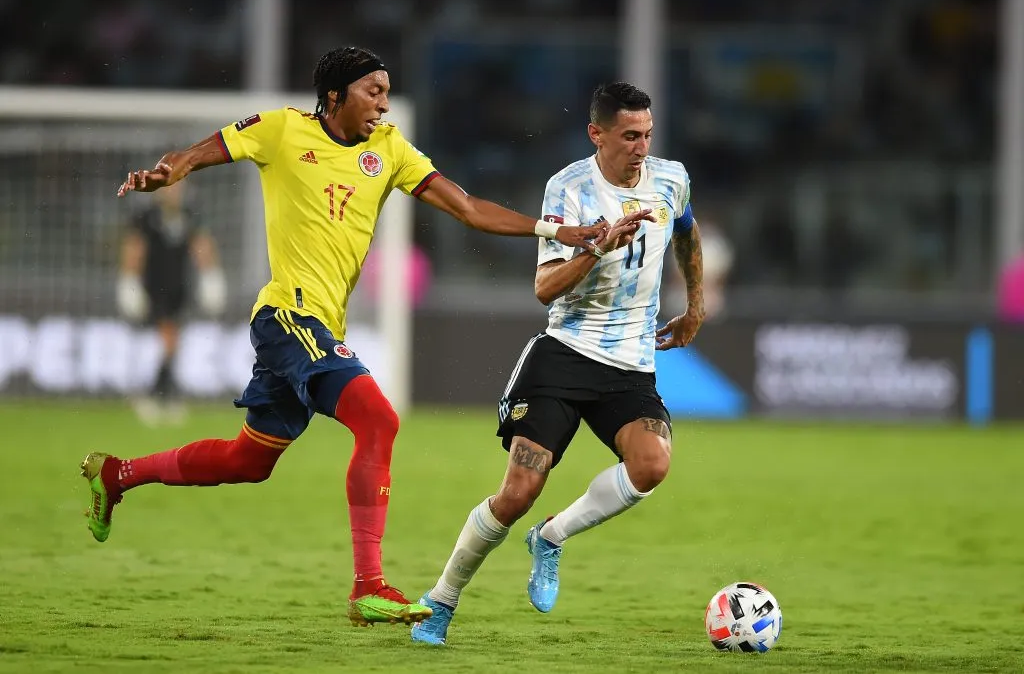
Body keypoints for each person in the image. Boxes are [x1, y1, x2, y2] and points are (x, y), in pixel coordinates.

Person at [80, 47, 634, 628]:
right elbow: (198, 152)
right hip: (289, 317)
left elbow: (468, 208)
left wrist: (560, 229)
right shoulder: (280, 130)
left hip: (320, 325)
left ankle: (117, 474)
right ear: (336, 94)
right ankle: (368, 585)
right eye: (373, 90)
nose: (384, 103)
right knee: (380, 420)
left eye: (387, 91)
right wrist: (170, 171)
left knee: (249, 460)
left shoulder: (388, 148)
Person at [411, 82, 705, 645]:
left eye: (647, 134)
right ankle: (441, 601)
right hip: (566, 355)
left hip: (630, 365)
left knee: (652, 466)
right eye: (628, 136)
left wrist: (695, 305)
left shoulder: (672, 178)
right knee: (519, 490)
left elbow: (686, 234)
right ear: (596, 134)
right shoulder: (569, 188)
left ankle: (551, 537)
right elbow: (544, 288)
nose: (641, 147)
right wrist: (597, 247)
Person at [117, 180, 227, 425]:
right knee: (167, 341)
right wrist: (128, 280)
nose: (174, 191)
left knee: (172, 344)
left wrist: (211, 276)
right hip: (153, 288)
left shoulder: (189, 213)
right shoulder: (147, 216)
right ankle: (156, 395)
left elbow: (201, 244)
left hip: (179, 288)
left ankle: (160, 395)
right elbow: (135, 247)